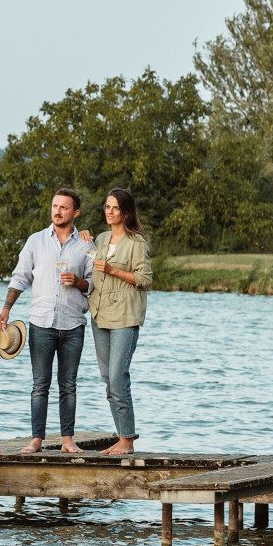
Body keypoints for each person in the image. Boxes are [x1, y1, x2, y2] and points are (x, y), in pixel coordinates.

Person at [0, 186, 93, 454]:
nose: (57, 211)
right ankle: (36, 439)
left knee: (69, 385)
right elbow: (20, 278)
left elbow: (95, 283)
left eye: (63, 207)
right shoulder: (35, 241)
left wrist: (79, 281)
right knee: (40, 385)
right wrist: (6, 310)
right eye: (54, 206)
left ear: (75, 212)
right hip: (41, 324)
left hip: (73, 324)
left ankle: (68, 441)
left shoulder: (86, 244)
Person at [90, 186, 150, 454]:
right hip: (100, 314)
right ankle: (121, 436)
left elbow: (145, 279)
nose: (109, 212)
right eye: (107, 207)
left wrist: (113, 270)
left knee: (117, 376)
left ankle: (127, 439)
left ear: (125, 213)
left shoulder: (137, 243)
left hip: (125, 316)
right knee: (106, 377)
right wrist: (83, 239)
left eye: (115, 208)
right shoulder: (101, 240)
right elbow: (87, 260)